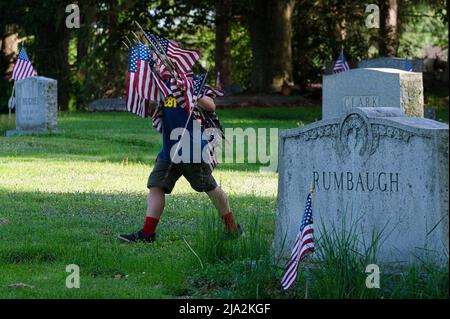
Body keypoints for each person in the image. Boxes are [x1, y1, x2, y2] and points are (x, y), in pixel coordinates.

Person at [118, 81, 241, 243]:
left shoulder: (191, 83)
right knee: (156, 186)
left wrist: (190, 92)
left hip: (192, 151)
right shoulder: (162, 86)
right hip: (169, 150)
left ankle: (232, 228)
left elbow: (211, 106)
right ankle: (147, 234)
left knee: (210, 188)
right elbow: (152, 108)